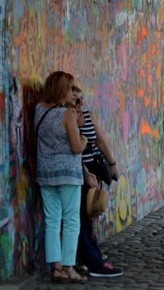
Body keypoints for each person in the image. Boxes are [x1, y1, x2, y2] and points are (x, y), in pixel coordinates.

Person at [35, 71, 88, 284]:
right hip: (68, 174)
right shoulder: (66, 114)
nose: (71, 92)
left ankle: (56, 268)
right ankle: (69, 267)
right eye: (70, 88)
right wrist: (83, 141)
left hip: (46, 173)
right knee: (72, 220)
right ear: (62, 90)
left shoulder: (39, 110)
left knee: (52, 221)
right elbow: (76, 147)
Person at [71, 86, 123, 278]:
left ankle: (92, 253)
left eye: (81, 99)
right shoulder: (68, 117)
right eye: (76, 99)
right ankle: (88, 258)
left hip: (93, 170)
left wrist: (112, 163)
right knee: (81, 217)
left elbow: (100, 140)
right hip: (79, 173)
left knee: (91, 214)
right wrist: (85, 173)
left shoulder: (87, 114)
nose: (80, 103)